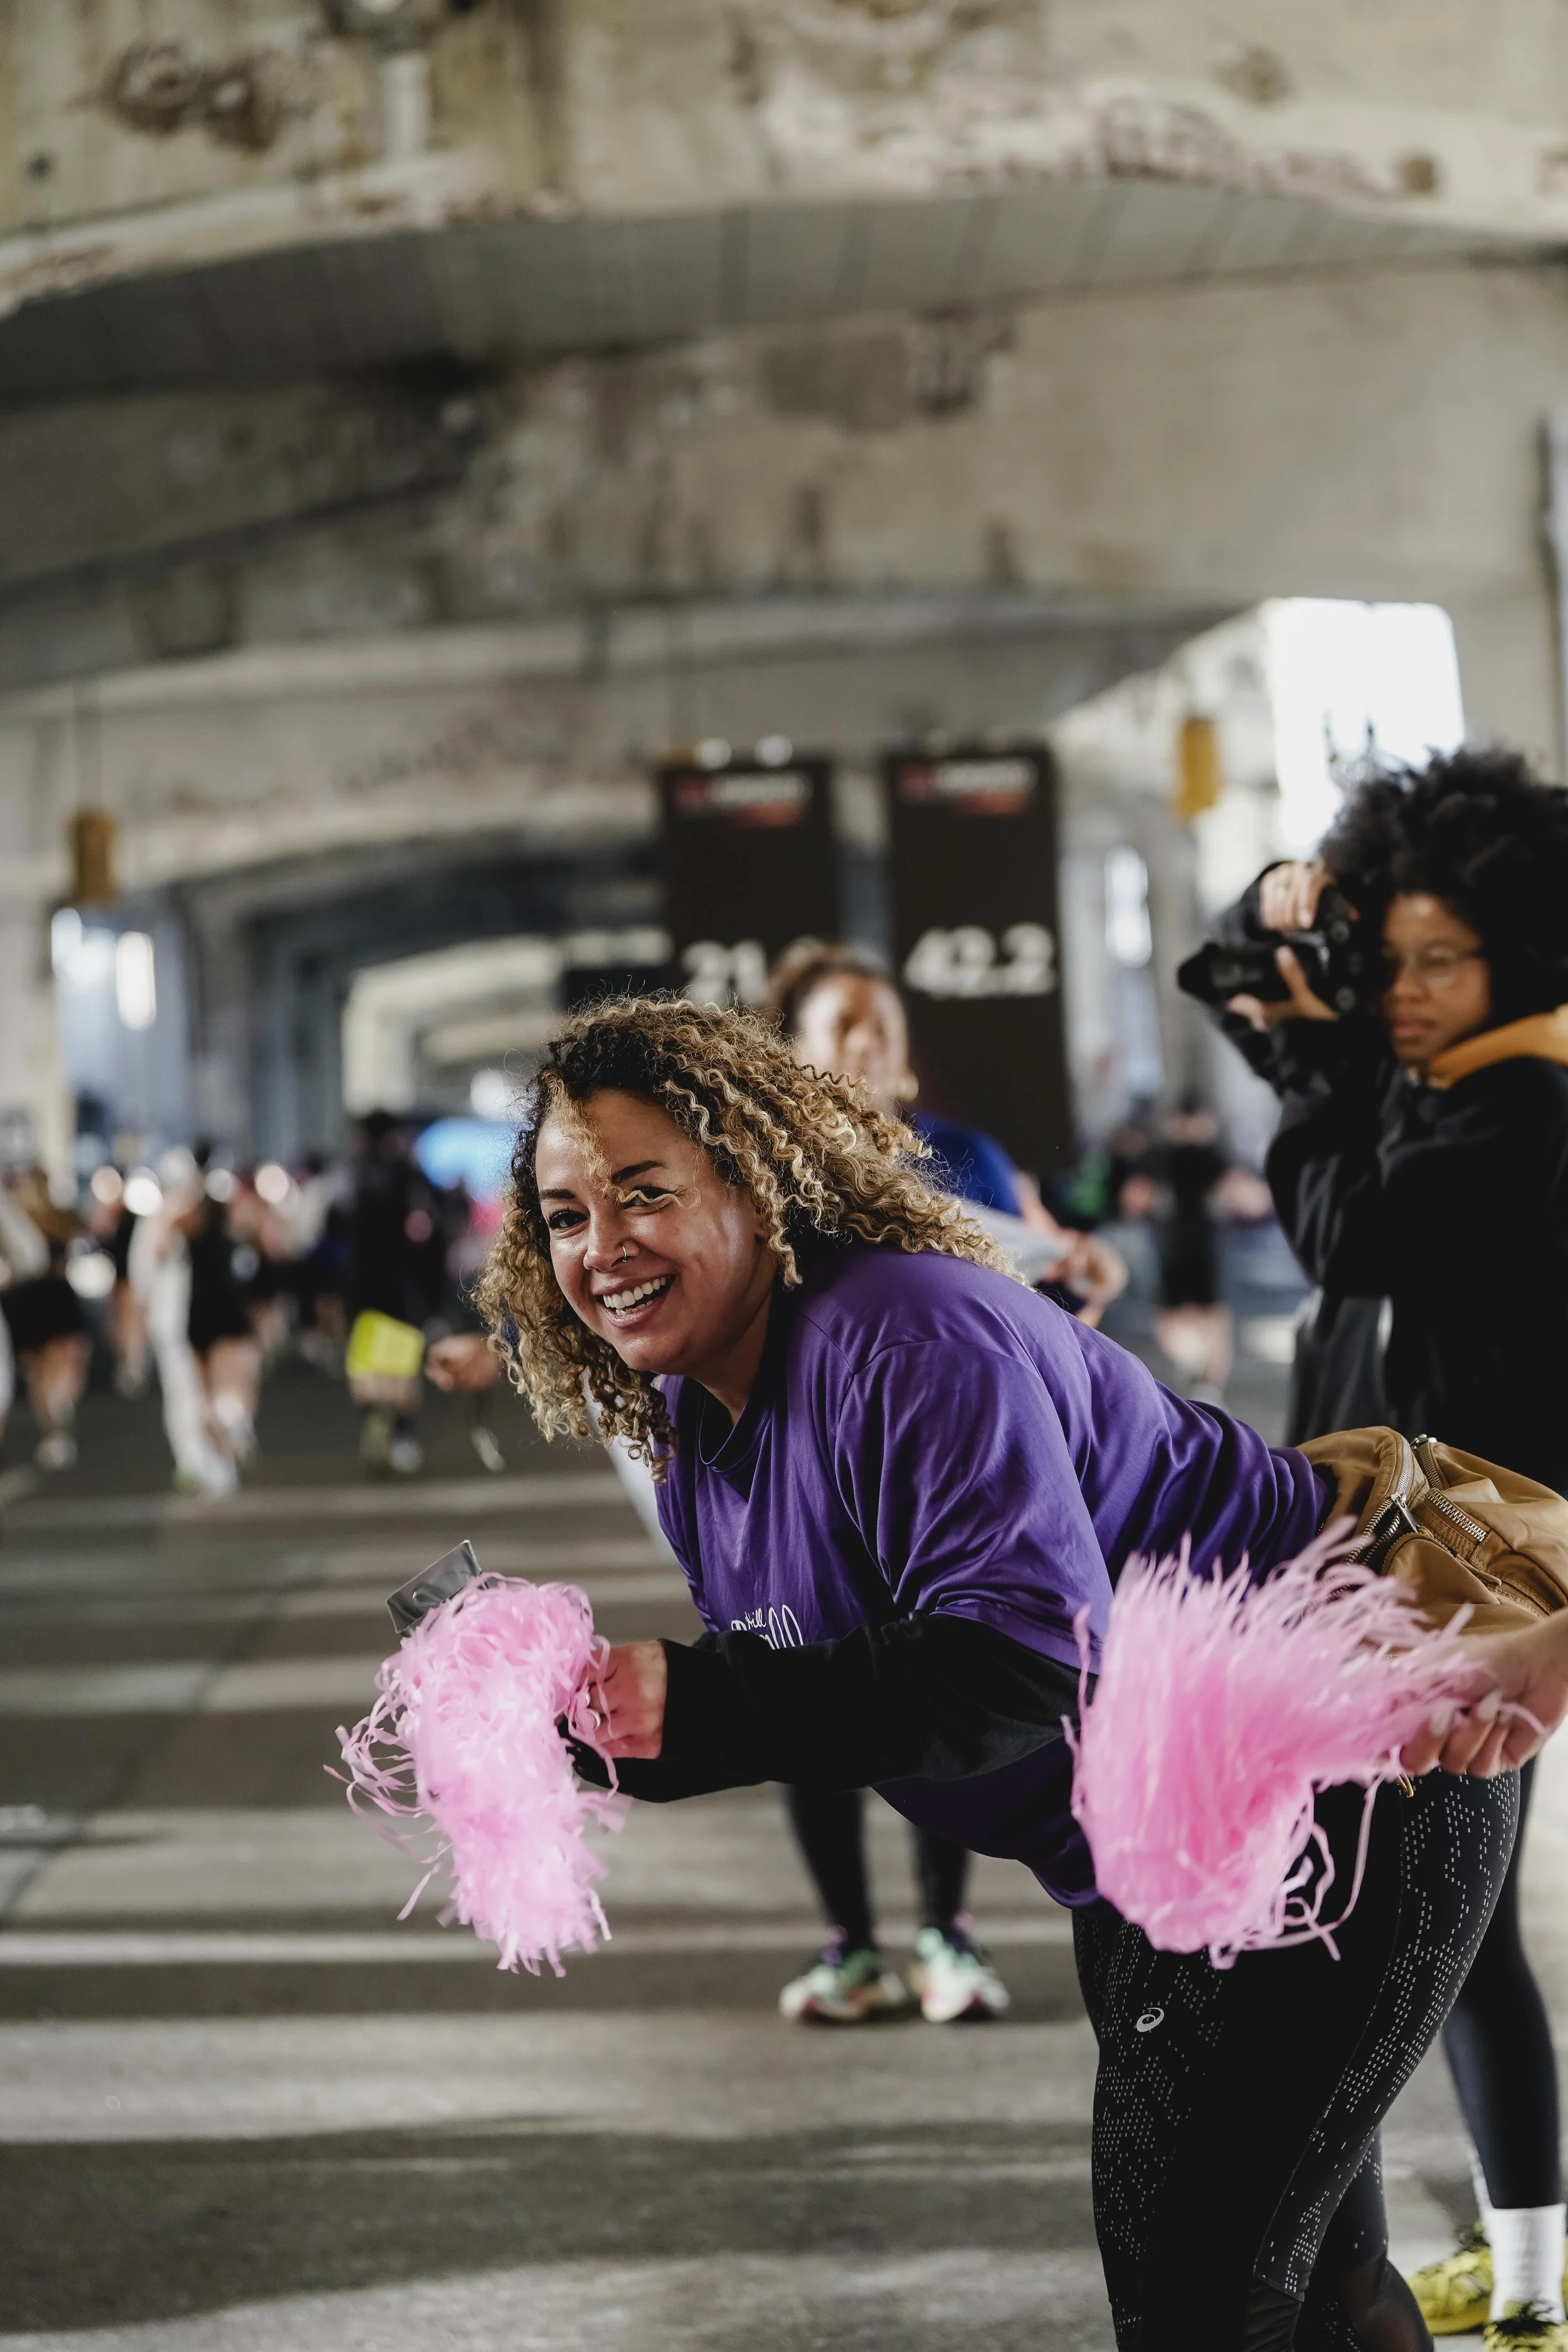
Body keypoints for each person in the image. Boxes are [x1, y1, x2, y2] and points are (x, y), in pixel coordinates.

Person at [475, 995, 1525, 2352]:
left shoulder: (901, 1338)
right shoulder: (697, 1420)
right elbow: (826, 1671)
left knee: (1207, 2305)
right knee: (1298, 2293)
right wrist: (618, 1729)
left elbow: (1026, 1661)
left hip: (1349, 1780)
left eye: (641, 1195)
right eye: (565, 1216)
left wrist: (714, 1702)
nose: (602, 1249)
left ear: (753, 1184)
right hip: (1152, 1850)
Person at [1209, 749, 1568, 2349]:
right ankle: (1525, 2278)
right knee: (1448, 1928)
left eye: (1444, 960)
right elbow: (1226, 973)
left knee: (1426, 1927)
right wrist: (1283, 902)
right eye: (1393, 957)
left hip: (1475, 1575)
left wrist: (1314, 1070)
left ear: (1517, 949)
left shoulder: (1522, 1101)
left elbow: (1343, 1226)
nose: (1409, 992)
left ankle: (1511, 2283)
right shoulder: (1435, 1077)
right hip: (1391, 1552)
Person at [765, 939, 1124, 2023]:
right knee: (801, 1700)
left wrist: (1090, 1274)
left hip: (947, 1480)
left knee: (936, 1696)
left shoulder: (963, 1151)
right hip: (805, 1479)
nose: (870, 1047)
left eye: (884, 1027)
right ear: (796, 1052)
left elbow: (1041, 1283)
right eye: (844, 1028)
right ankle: (849, 1948)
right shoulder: (756, 1168)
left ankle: (945, 1938)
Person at [0, 1172, 90, 1473]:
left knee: (52, 1371)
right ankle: (57, 1430)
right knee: (45, 1373)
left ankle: (57, 1430)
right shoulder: (27, 1217)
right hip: (39, 1302)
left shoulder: (41, 1217)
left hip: (41, 1302)